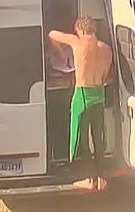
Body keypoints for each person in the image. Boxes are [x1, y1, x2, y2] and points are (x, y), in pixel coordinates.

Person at [48, 17, 114, 191]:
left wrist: (62, 52)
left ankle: (89, 179)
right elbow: (105, 76)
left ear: (81, 30)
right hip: (99, 94)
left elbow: (52, 34)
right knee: (98, 138)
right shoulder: (106, 49)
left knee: (82, 137)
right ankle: (102, 179)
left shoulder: (77, 43)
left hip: (83, 94)